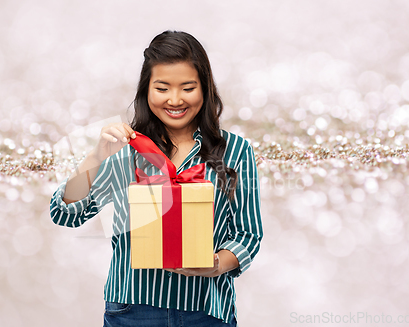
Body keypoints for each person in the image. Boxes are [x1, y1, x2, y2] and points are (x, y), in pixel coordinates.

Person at [50, 30, 263, 326]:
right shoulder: (123, 147)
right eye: (162, 88)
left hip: (206, 311)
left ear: (205, 89)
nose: (175, 100)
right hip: (132, 310)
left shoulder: (236, 151)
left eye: (188, 88)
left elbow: (248, 235)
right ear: (146, 90)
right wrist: (96, 156)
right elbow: (65, 213)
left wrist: (215, 265)